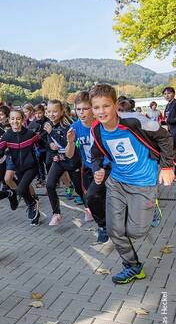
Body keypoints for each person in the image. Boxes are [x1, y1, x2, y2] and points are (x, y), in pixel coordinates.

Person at [90, 84, 174, 284]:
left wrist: (167, 166)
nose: (101, 111)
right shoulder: (97, 130)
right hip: (117, 182)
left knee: (136, 232)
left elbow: (165, 137)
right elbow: (96, 154)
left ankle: (151, 208)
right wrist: (97, 169)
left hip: (143, 183)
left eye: (106, 106)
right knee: (114, 230)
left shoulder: (134, 121)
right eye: (96, 107)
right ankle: (133, 267)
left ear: (115, 105)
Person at [65, 92, 108, 243]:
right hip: (89, 168)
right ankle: (102, 225)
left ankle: (112, 224)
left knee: (106, 196)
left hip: (107, 167)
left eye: (85, 109)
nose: (81, 113)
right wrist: (70, 142)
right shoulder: (75, 127)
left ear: (92, 108)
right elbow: (69, 154)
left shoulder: (102, 124)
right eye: (78, 109)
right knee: (90, 198)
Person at [0, 109, 41, 225]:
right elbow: (0, 152)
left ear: (22, 119)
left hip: (31, 167)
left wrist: (52, 151)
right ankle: (34, 210)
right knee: (23, 190)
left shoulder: (30, 134)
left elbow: (43, 144)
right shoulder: (7, 136)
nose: (15, 121)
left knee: (21, 189)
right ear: (9, 120)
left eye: (18, 118)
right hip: (18, 168)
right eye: (12, 119)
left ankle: (32, 204)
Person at [44, 100, 87, 226]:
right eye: (49, 111)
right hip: (59, 160)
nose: (51, 114)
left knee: (79, 188)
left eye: (55, 111)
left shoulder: (68, 125)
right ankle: (56, 214)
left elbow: (66, 144)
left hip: (72, 160)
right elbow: (49, 141)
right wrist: (52, 150)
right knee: (49, 185)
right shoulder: (48, 124)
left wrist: (51, 132)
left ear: (62, 111)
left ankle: (88, 208)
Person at [28, 103, 49, 186]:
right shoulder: (32, 124)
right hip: (38, 147)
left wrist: (40, 136)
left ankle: (52, 179)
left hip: (47, 147)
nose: (38, 115)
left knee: (48, 163)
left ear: (43, 112)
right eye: (36, 113)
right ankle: (41, 179)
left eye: (40, 113)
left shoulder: (48, 121)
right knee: (39, 164)